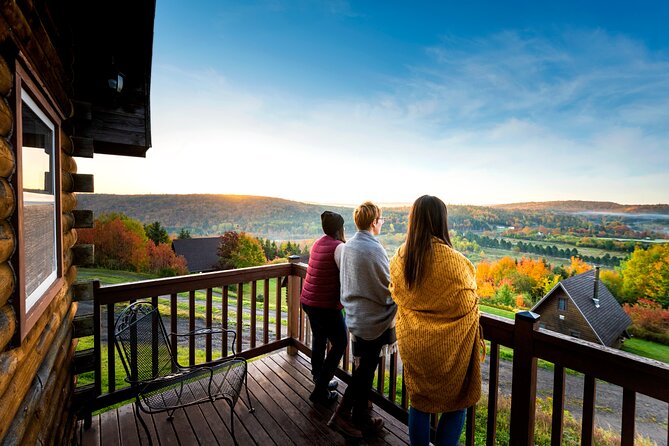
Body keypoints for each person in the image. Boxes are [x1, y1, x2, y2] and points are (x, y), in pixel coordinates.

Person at [389, 195, 484, 446]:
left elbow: (396, 291)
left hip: (414, 343)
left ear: (414, 220)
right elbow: (467, 302)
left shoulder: (401, 257)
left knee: (418, 403)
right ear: (442, 221)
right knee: (457, 404)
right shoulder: (455, 262)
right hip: (449, 350)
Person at [328, 201, 397, 439]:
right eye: (381, 219)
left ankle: (360, 416)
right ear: (373, 222)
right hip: (372, 320)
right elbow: (385, 288)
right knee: (365, 371)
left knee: (366, 370)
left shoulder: (348, 246)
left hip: (355, 316)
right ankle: (342, 415)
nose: (383, 222)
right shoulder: (374, 249)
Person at [300, 211, 348, 405]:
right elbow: (347, 275)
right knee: (341, 342)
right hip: (325, 305)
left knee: (319, 340)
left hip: (309, 302)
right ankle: (320, 388)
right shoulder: (339, 247)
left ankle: (319, 378)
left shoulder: (318, 243)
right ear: (339, 229)